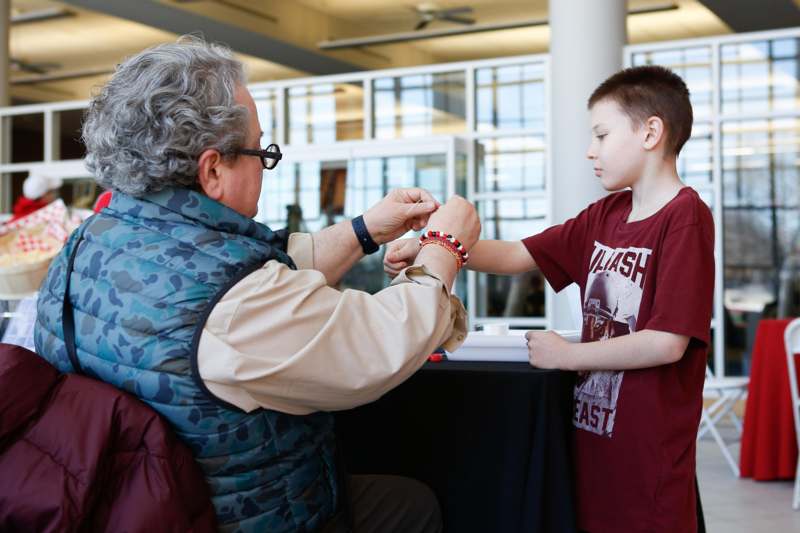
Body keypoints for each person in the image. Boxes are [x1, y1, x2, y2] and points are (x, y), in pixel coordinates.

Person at [34, 36, 480, 533]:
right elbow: (377, 346)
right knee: (415, 505)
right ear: (213, 169)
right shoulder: (233, 305)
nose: (264, 167)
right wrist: (446, 246)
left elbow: (258, 269)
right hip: (231, 517)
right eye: (260, 152)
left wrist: (365, 230)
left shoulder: (91, 242)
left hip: (119, 501)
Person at [385, 65, 714, 532]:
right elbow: (519, 254)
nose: (590, 151)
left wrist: (567, 354)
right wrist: (433, 245)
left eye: (601, 135)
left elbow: (667, 341)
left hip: (649, 460)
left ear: (651, 132)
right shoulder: (605, 214)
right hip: (594, 445)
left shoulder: (686, 217)